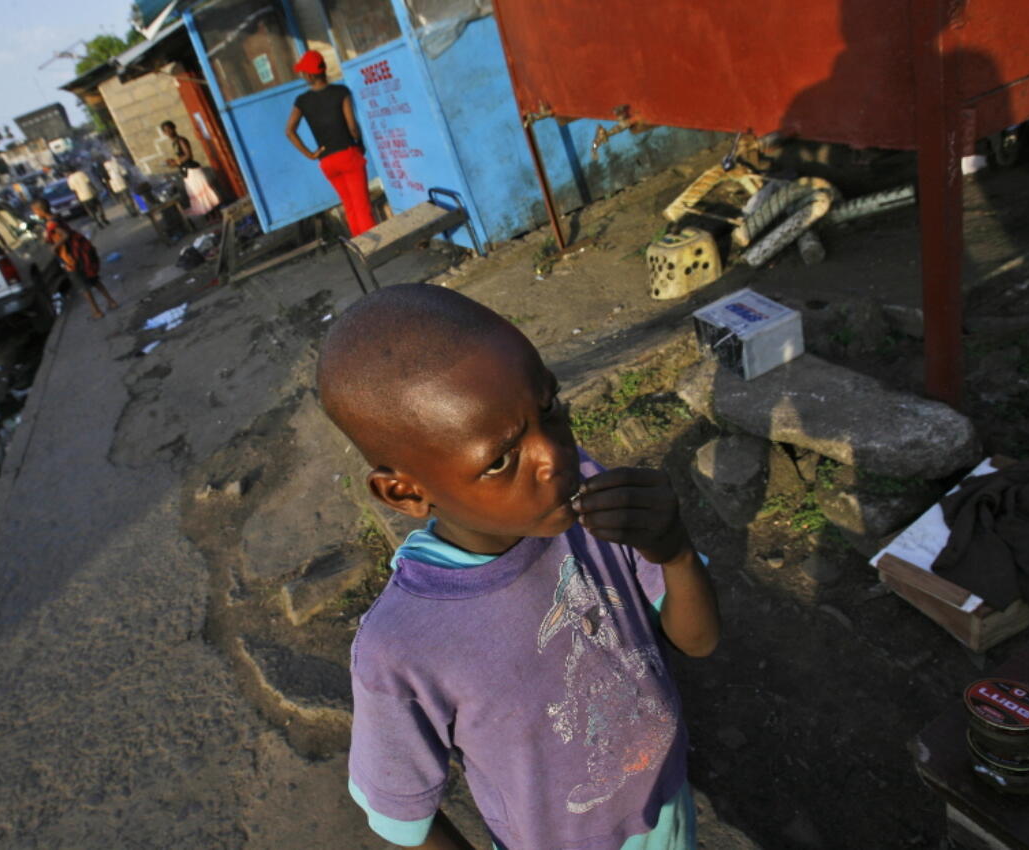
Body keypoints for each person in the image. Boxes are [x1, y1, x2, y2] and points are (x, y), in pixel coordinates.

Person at [317, 285, 722, 850]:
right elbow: (402, 814)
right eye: (501, 460)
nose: (554, 459)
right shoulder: (402, 647)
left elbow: (698, 641)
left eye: (549, 409)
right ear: (405, 493)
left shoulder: (590, 502)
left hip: (667, 807)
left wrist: (672, 548)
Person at [285, 50, 377, 237]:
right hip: (348, 155)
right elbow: (352, 127)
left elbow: (290, 131)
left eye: (303, 72)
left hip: (327, 162)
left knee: (349, 206)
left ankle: (361, 247)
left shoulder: (302, 101)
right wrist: (359, 144)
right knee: (362, 206)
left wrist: (310, 154)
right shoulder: (341, 92)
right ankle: (375, 246)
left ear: (310, 75)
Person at [30, 198, 119, 320]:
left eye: (35, 211)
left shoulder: (51, 224)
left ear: (40, 210)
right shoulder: (56, 218)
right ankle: (111, 301)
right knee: (93, 280)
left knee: (83, 286)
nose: (35, 214)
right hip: (78, 253)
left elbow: (65, 235)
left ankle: (96, 311)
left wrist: (55, 246)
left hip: (70, 257)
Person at [161, 120, 220, 219]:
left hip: (192, 170)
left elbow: (188, 155)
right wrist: (173, 161)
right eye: (166, 131)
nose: (168, 132)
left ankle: (216, 215)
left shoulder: (181, 140)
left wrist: (176, 162)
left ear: (174, 128)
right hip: (186, 172)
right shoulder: (175, 143)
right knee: (197, 196)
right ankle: (210, 216)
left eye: (169, 129)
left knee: (203, 194)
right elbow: (181, 156)